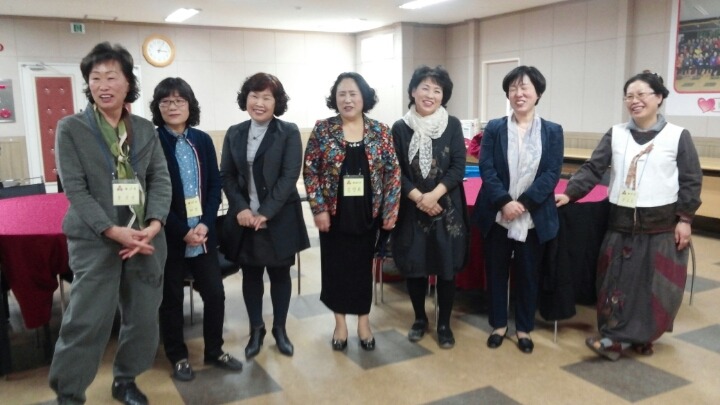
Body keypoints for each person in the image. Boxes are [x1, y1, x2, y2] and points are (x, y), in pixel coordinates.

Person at [49, 42, 172, 405]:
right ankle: (69, 392)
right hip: (96, 239)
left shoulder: (145, 129)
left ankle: (126, 380)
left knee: (143, 317)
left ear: (128, 82)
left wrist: (155, 223)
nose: (103, 85)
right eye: (95, 78)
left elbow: (160, 179)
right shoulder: (71, 128)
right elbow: (75, 189)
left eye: (111, 77)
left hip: (145, 238)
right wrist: (112, 230)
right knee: (87, 320)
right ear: (88, 84)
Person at [556, 71, 702, 361]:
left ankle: (641, 337)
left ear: (658, 97)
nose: (634, 101)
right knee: (615, 282)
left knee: (652, 285)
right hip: (620, 223)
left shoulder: (677, 136)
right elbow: (593, 168)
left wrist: (685, 220)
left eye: (641, 94)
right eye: (629, 96)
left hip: (661, 227)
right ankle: (614, 338)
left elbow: (691, 180)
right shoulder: (616, 134)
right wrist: (570, 193)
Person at [151, 77, 242, 382]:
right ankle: (177, 356)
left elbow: (215, 184)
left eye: (179, 101)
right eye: (165, 102)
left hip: (203, 235)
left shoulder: (202, 140)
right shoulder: (153, 142)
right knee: (171, 300)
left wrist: (205, 223)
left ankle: (214, 350)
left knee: (215, 294)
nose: (172, 107)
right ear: (158, 107)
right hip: (169, 236)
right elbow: (152, 194)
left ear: (190, 105)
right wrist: (181, 230)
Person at [303, 72, 400, 351]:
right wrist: (319, 209)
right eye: (342, 94)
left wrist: (390, 211)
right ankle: (340, 324)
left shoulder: (380, 131)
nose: (347, 99)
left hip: (368, 214)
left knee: (361, 270)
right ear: (335, 98)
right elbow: (310, 171)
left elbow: (393, 173)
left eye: (353, 94)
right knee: (336, 269)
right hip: (334, 216)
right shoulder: (323, 130)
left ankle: (364, 323)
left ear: (364, 97)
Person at [473, 65, 564, 354]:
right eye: (513, 88)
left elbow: (551, 173)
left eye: (525, 88)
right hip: (497, 215)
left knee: (528, 274)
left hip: (532, 218)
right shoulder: (494, 128)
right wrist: (504, 202)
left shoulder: (552, 131)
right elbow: (486, 167)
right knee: (496, 272)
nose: (519, 93)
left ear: (538, 93)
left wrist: (523, 203)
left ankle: (524, 328)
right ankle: (499, 325)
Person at [220, 73, 309, 359]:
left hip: (279, 218)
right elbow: (227, 175)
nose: (259, 103)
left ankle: (280, 330)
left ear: (276, 102)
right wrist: (242, 209)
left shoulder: (288, 132)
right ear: (245, 99)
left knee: (280, 274)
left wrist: (266, 212)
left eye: (266, 97)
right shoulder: (235, 132)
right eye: (254, 96)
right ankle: (256, 330)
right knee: (251, 275)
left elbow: (289, 176)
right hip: (245, 219)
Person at [391, 65, 469, 349]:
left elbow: (458, 166)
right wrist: (419, 199)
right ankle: (420, 319)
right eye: (425, 88)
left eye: (437, 90)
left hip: (446, 209)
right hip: (412, 209)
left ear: (443, 96)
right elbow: (395, 170)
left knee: (446, 268)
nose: (430, 95)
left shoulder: (453, 125)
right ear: (413, 91)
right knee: (415, 266)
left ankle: (444, 324)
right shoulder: (400, 128)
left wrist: (433, 196)